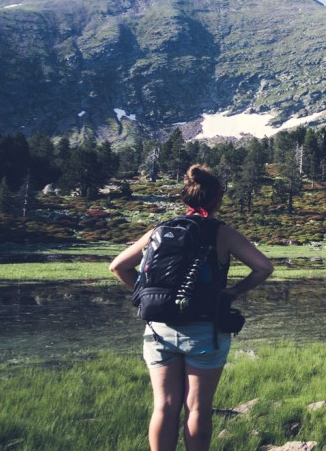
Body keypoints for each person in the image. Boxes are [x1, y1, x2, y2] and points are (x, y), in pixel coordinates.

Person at [110, 164, 274, 451]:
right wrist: (232, 292)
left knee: (164, 406)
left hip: (158, 329)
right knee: (197, 407)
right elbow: (263, 267)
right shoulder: (222, 233)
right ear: (217, 198)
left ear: (185, 198)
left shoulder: (160, 230)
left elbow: (118, 266)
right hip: (204, 329)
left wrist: (144, 292)